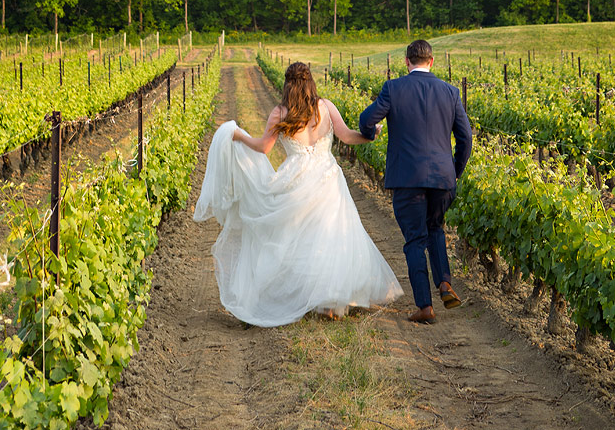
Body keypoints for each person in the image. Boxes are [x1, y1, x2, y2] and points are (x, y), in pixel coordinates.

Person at [194, 61, 403, 327]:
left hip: (296, 179)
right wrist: (370, 136)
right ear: (310, 82)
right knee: (330, 235)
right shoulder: (325, 107)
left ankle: (307, 296)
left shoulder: (281, 113)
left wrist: (239, 136)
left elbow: (263, 148)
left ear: (287, 84)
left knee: (296, 237)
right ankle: (329, 300)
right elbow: (348, 137)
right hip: (328, 176)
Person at [359, 38, 472, 325]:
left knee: (414, 240)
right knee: (435, 227)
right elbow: (466, 138)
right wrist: (454, 170)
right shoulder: (450, 92)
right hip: (442, 177)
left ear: (407, 61)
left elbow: (366, 119)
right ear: (432, 61)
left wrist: (372, 133)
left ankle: (425, 306)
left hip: (407, 178)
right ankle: (444, 282)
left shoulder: (393, 88)